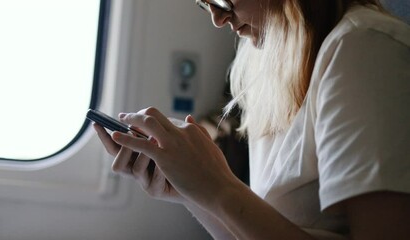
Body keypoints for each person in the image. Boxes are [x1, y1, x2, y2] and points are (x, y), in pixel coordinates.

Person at [93, 0, 410, 239]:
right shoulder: (265, 66)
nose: (218, 18)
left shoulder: (364, 49)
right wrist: (191, 190)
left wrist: (218, 187)